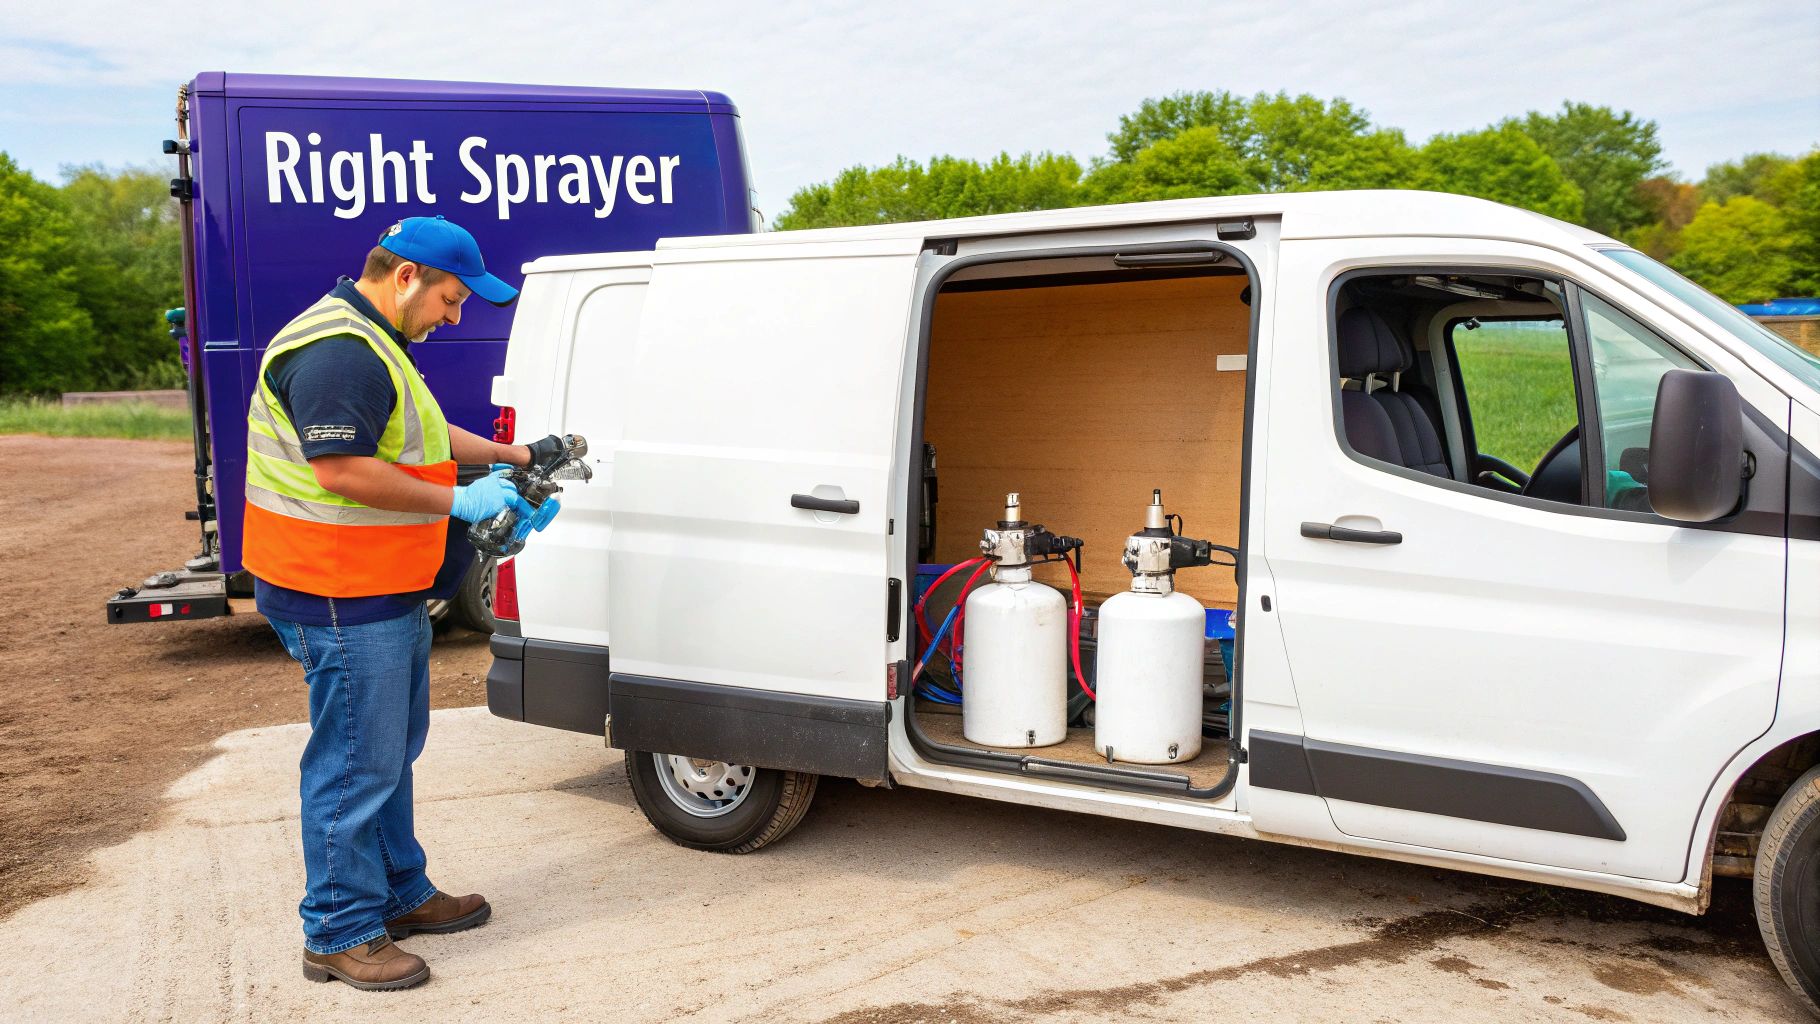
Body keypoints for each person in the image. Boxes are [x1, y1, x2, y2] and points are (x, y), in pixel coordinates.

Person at [243, 215, 561, 991]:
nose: (455, 318)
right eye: (452, 300)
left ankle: (398, 891)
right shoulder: (340, 352)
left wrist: (516, 457)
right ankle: (339, 931)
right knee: (355, 763)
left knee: (387, 750)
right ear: (407, 276)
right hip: (336, 590)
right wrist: (458, 503)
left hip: (377, 587)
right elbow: (344, 471)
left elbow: (421, 435)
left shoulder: (375, 336)